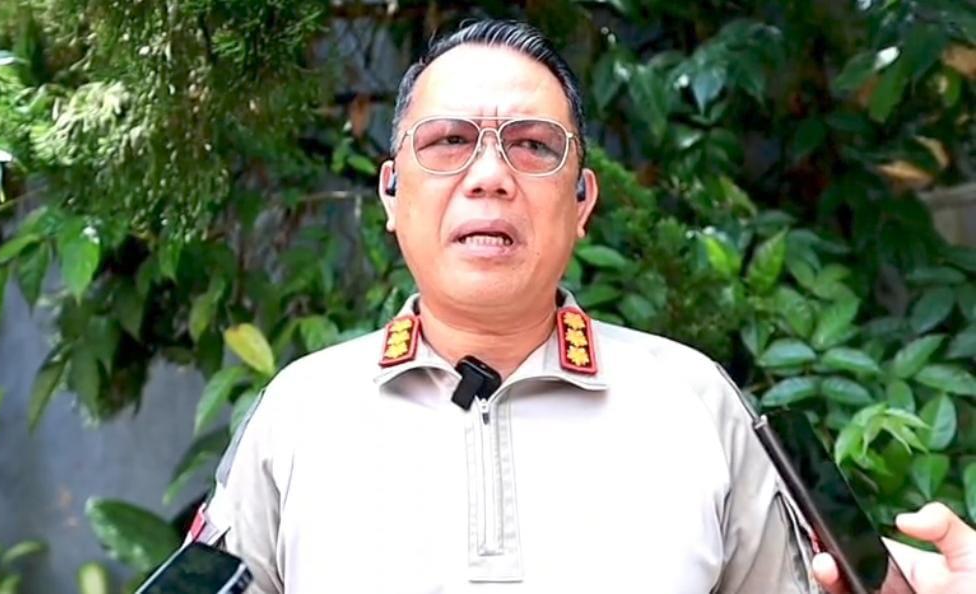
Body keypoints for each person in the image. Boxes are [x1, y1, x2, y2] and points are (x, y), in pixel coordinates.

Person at [193, 19, 976, 593]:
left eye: (533, 146)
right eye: (448, 142)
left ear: (582, 203)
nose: (490, 176)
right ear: (392, 194)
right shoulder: (301, 415)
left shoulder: (694, 405)